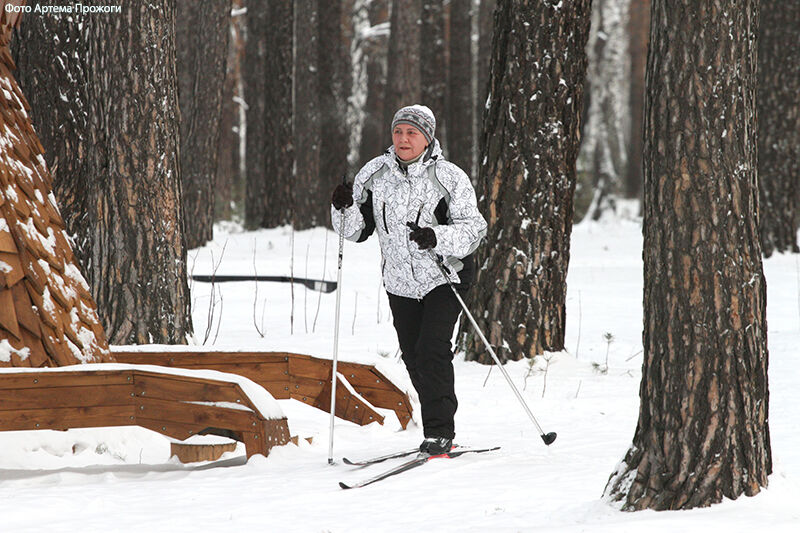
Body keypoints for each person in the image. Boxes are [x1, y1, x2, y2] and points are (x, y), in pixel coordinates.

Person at [330, 105, 487, 455]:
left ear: (427, 137)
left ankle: (439, 432)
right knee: (414, 357)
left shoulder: (449, 177)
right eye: (398, 132)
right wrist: (342, 207)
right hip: (399, 281)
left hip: (444, 277)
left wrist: (435, 237)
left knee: (433, 350)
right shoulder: (374, 174)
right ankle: (436, 421)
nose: (403, 139)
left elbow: (474, 230)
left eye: (412, 133)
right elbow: (354, 232)